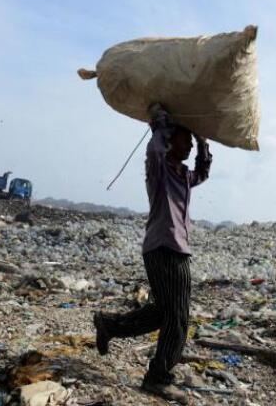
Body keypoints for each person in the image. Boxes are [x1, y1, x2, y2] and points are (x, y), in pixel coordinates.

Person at [93, 103, 212, 404]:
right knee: (179, 316)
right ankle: (158, 378)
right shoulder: (159, 170)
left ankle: (110, 325)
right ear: (171, 142)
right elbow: (154, 150)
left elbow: (203, 172)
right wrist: (160, 124)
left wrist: (202, 141)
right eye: (184, 140)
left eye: (188, 142)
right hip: (166, 248)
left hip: (169, 249)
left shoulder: (184, 176)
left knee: (163, 312)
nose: (186, 147)